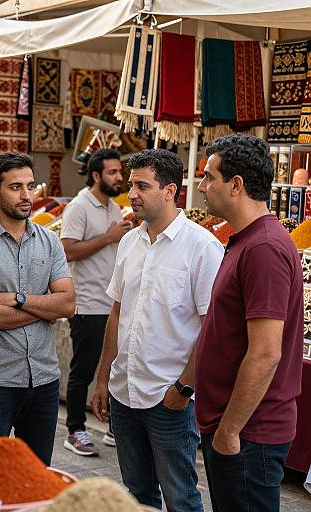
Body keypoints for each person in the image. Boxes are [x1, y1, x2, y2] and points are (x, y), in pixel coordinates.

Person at [91, 149, 224, 512]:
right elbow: (117, 313)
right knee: (136, 495)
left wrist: (183, 389)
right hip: (124, 392)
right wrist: (103, 379)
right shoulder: (129, 242)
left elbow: (211, 327)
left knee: (180, 497)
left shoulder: (202, 247)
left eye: (141, 186)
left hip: (169, 398)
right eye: (131, 184)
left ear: (170, 191)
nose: (130, 193)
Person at [195, 135, 303, 512]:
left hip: (249, 433)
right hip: (234, 427)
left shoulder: (264, 248)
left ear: (236, 185)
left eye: (209, 177)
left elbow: (265, 354)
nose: (202, 186)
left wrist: (229, 431)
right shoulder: (246, 240)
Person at [0, 152, 75, 465]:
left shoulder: (49, 241)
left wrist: (19, 298)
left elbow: (68, 303)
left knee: (37, 475)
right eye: (15, 187)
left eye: (30, 186)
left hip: (44, 378)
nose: (26, 196)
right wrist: (43, 307)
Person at [61, 148, 130, 456]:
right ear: (96, 175)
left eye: (120, 171)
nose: (120, 177)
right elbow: (68, 251)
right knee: (83, 370)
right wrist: (108, 237)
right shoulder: (79, 207)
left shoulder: (116, 209)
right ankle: (75, 430)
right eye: (113, 172)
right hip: (88, 304)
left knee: (115, 369)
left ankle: (114, 426)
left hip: (113, 304)